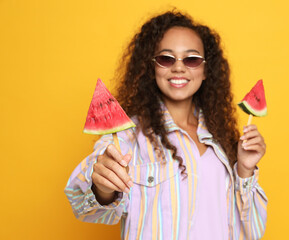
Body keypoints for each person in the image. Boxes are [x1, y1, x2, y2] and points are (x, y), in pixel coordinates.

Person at [65, 10, 268, 240]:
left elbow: (252, 232)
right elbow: (85, 206)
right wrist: (102, 187)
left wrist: (245, 170)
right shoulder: (127, 137)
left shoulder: (221, 141)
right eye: (166, 58)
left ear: (205, 71)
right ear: (151, 68)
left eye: (191, 59)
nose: (179, 67)